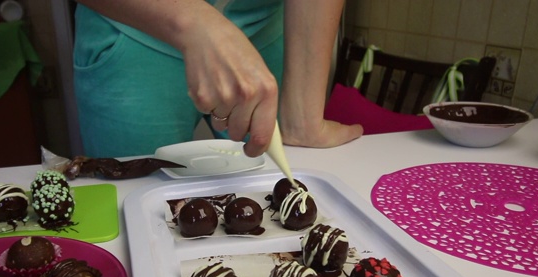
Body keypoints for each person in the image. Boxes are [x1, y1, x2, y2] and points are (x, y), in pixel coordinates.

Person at [73, 0, 363, 158]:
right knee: (135, 199)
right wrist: (190, 19)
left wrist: (304, 114)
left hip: (265, 28)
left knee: (277, 197)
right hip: (132, 28)